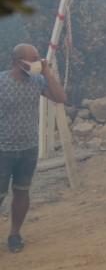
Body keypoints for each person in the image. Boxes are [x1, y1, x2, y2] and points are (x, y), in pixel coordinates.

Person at [1, 44, 67, 252]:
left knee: (22, 192)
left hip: (29, 148)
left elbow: (60, 97)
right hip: (3, 149)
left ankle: (14, 234)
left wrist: (46, 72)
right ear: (18, 62)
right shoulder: (2, 82)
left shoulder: (37, 81)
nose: (38, 62)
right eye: (34, 58)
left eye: (38, 58)